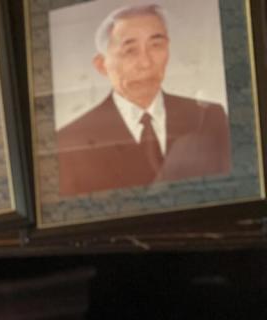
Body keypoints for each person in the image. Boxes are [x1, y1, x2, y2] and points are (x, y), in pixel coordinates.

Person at [56, 3, 231, 197]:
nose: (146, 63)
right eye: (130, 51)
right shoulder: (69, 141)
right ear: (102, 65)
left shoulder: (208, 118)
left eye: (156, 45)